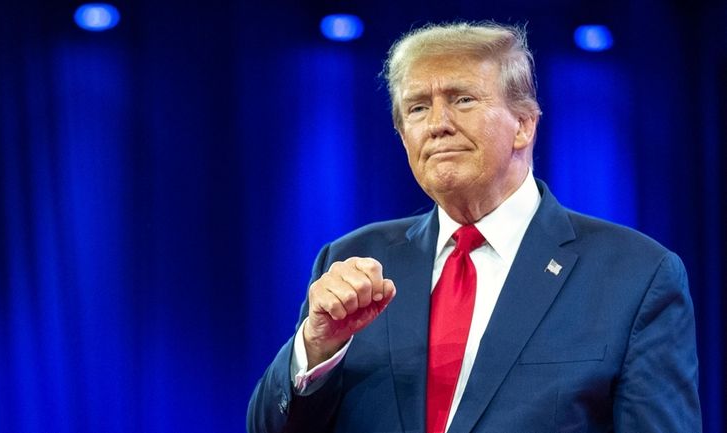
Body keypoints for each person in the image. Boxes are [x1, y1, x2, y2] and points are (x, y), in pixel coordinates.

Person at [247, 21, 701, 432]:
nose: (438, 125)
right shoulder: (353, 261)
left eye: (462, 100)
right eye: (418, 108)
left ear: (523, 124)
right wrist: (316, 347)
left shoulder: (636, 275)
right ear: (403, 136)